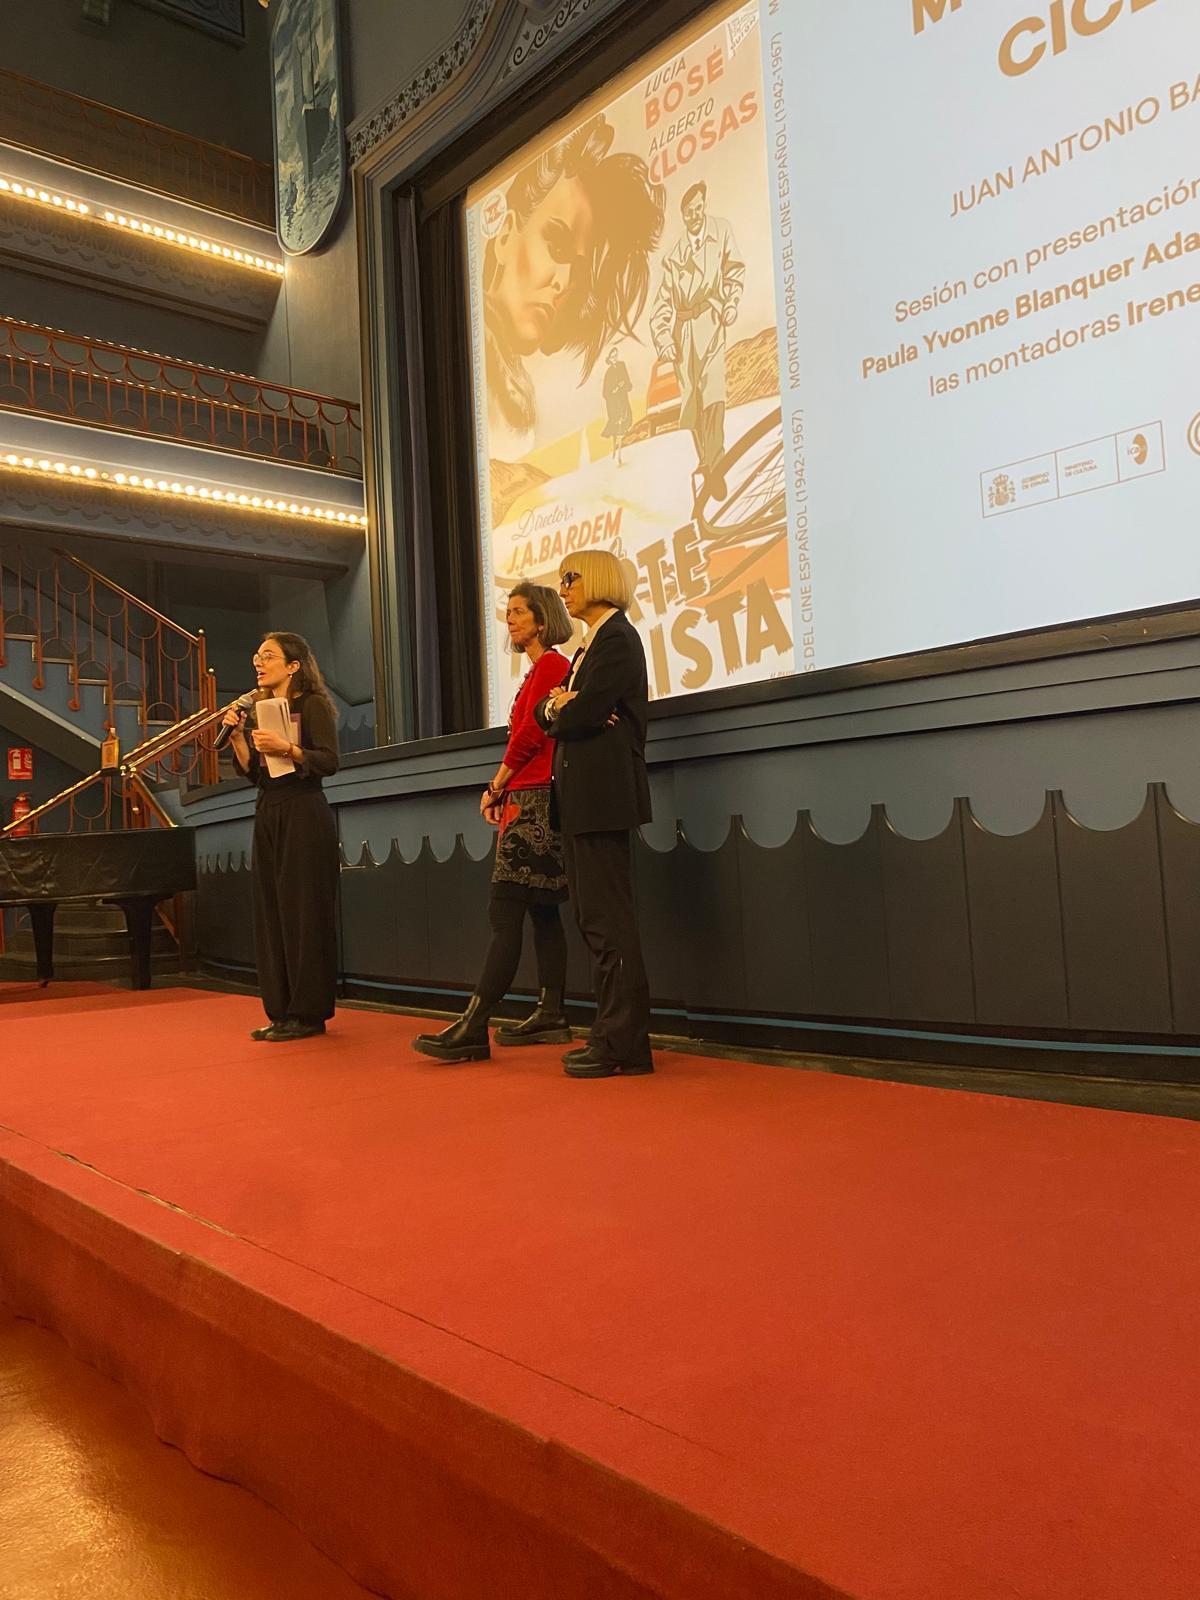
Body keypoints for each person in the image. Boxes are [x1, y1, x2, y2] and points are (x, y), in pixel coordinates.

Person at [414, 584, 576, 1063]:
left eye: (520, 612)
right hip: (535, 797)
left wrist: (496, 785)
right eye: (508, 613)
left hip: (533, 799)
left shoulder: (551, 665)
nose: (510, 620)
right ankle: (551, 1013)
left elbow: (531, 733)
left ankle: (475, 1024)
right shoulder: (542, 669)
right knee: (542, 909)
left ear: (543, 619)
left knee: (505, 912)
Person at [535, 550, 654, 1078]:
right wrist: (561, 705)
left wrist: (567, 706)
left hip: (603, 799)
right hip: (583, 800)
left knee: (609, 923)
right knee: (592, 920)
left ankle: (622, 1043)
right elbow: (554, 712)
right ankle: (610, 1034)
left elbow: (579, 712)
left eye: (570, 578)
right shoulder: (588, 645)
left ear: (600, 579)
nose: (562, 589)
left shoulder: (618, 640)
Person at [483, 113, 665, 447]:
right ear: (506, 235)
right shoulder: (478, 376)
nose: (565, 282)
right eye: (557, 246)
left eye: (579, 271)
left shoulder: (508, 383)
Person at [223, 632, 339, 1043]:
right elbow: (257, 772)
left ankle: (308, 1014)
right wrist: (237, 737)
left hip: (304, 812)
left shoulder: (313, 705)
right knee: (271, 911)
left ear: (293, 665)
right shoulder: (259, 710)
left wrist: (288, 748)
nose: (259, 662)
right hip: (269, 809)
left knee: (302, 912)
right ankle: (281, 1010)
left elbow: (328, 760)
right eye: (257, 656)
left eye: (268, 656)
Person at [649, 181, 745, 501]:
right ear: (683, 214)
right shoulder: (674, 257)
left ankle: (716, 460)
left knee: (713, 391)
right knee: (692, 404)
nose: (695, 214)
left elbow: (734, 271)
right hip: (684, 334)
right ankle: (706, 461)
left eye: (698, 208)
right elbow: (662, 304)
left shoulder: (722, 231)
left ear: (704, 206)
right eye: (689, 211)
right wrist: (664, 340)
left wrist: (730, 303)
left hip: (711, 321)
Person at [601, 345, 633, 465]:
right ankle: (616, 453)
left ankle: (619, 453)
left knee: (624, 425)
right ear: (609, 359)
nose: (615, 358)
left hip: (623, 399)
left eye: (616, 355)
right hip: (615, 403)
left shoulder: (621, 365)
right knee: (617, 427)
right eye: (612, 356)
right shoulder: (608, 373)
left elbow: (627, 380)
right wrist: (614, 390)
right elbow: (605, 393)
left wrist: (623, 385)